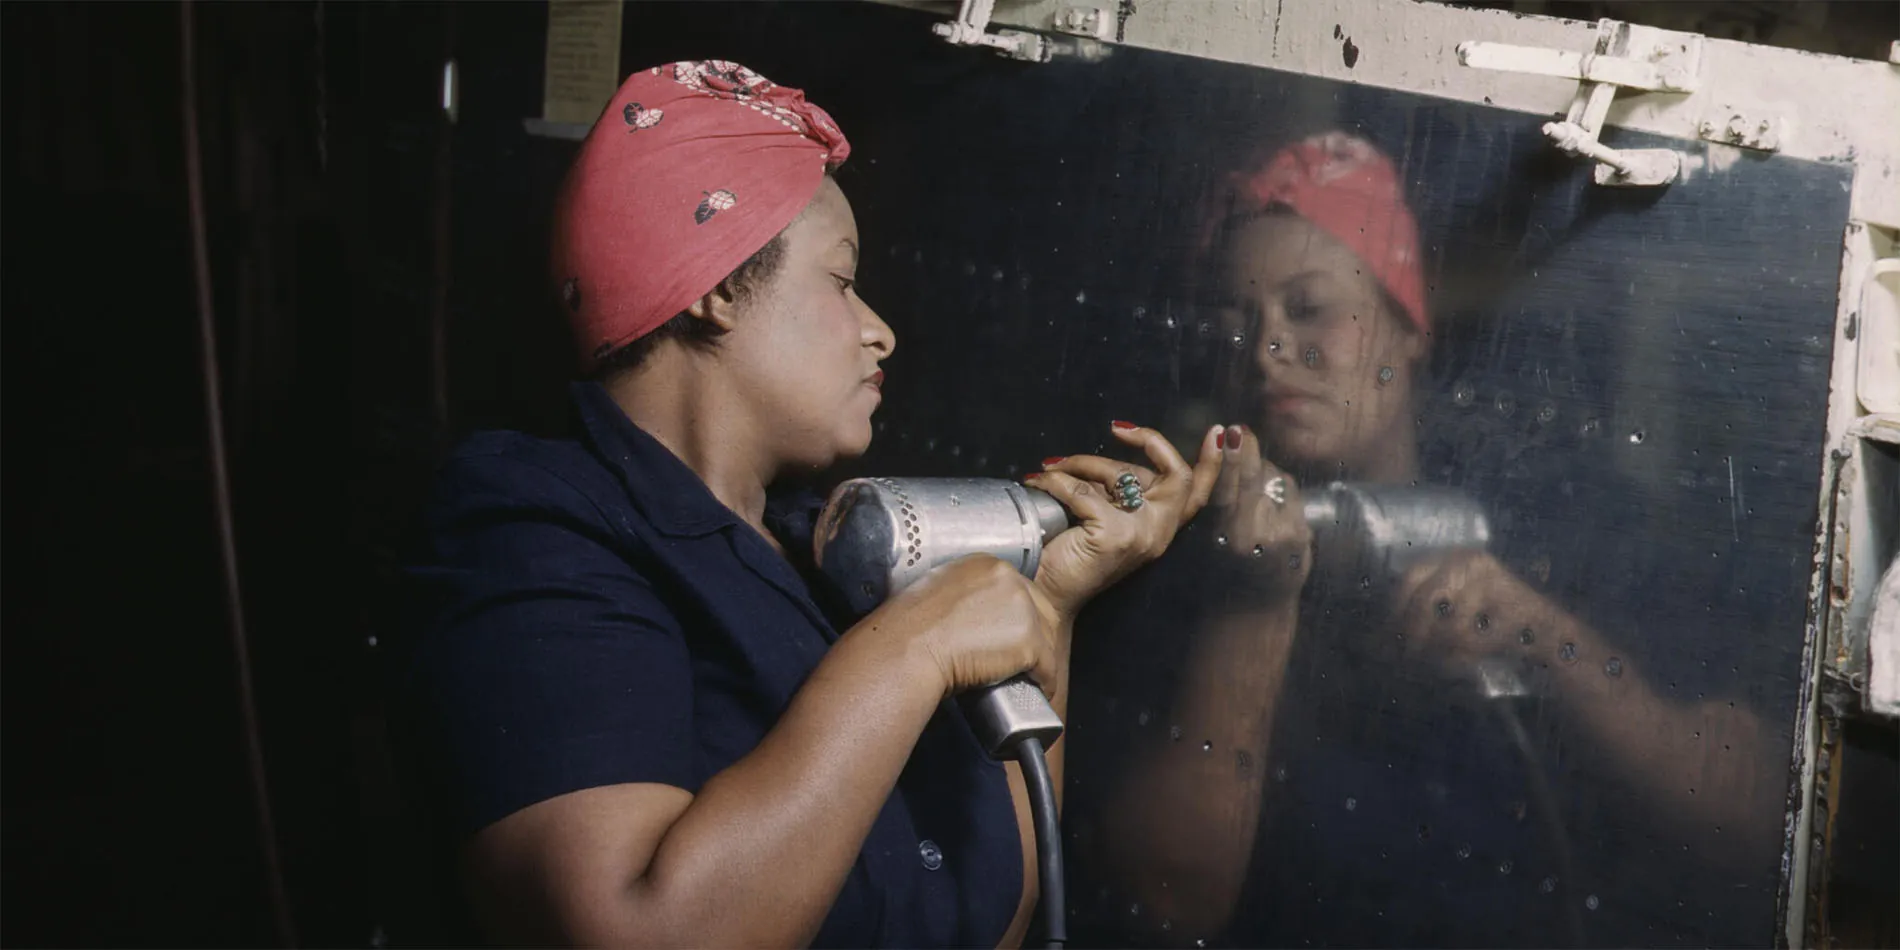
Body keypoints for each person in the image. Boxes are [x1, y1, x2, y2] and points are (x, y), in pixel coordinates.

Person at [402, 60, 1226, 948]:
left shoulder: (820, 550)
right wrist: (914, 649)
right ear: (716, 285)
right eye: (841, 280)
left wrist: (1049, 604)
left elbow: (999, 917)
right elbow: (638, 931)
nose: (881, 329)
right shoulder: (533, 532)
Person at [1081, 132, 1780, 946]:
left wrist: (1545, 640)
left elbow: (1758, 818)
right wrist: (1252, 607)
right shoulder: (1178, 554)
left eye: (1309, 308)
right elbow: (1164, 904)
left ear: (1407, 324)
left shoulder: (1557, 515)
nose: (1268, 351)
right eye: (1236, 324)